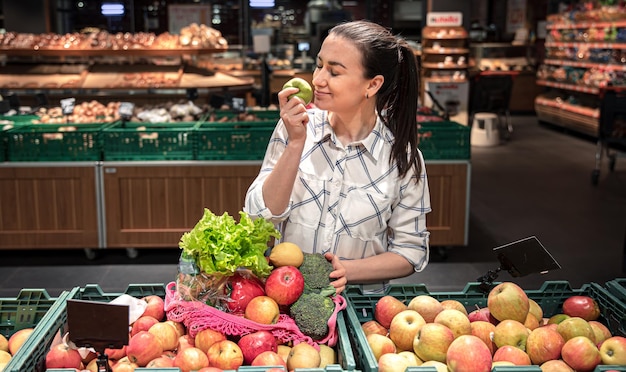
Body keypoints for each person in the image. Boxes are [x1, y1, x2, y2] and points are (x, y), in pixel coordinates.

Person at [244, 20, 431, 294]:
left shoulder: (402, 159)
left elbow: (410, 252)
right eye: (319, 65)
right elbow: (258, 219)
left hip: (361, 308)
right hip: (286, 301)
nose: (318, 79)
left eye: (334, 71)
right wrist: (296, 143)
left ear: (373, 84)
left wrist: (347, 270)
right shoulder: (296, 128)